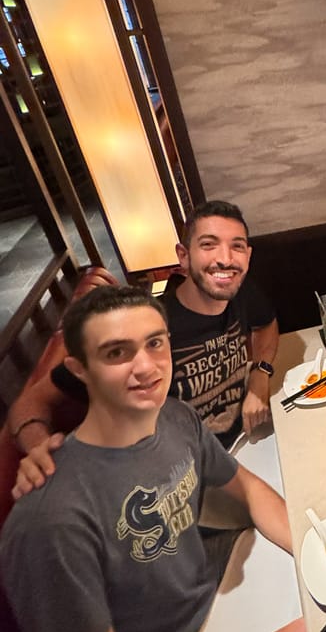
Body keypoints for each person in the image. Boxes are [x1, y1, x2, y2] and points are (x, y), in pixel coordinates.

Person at [0, 286, 314, 632]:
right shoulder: (50, 522)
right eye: (116, 352)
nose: (146, 367)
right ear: (78, 370)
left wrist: (311, 551)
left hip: (211, 592)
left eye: (155, 342)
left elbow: (246, 487)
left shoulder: (173, 417)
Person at [9, 200, 278, 495]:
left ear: (247, 256)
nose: (225, 259)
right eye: (209, 245)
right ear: (184, 257)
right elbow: (29, 403)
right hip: (185, 482)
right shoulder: (143, 327)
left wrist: (260, 376)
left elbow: (266, 326)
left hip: (248, 445)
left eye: (236, 246)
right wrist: (39, 449)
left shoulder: (239, 288)